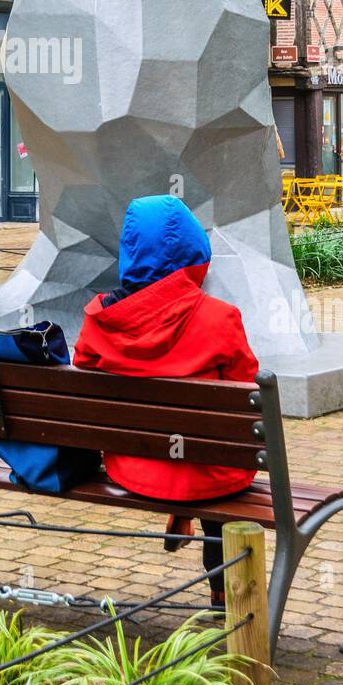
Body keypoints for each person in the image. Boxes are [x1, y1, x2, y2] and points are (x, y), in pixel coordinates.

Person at [72, 195, 259, 609]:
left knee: (203, 453)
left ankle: (185, 517)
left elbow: (81, 378)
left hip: (132, 469)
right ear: (193, 253)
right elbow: (246, 400)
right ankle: (222, 593)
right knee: (215, 462)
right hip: (212, 475)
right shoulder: (220, 318)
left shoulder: (98, 320)